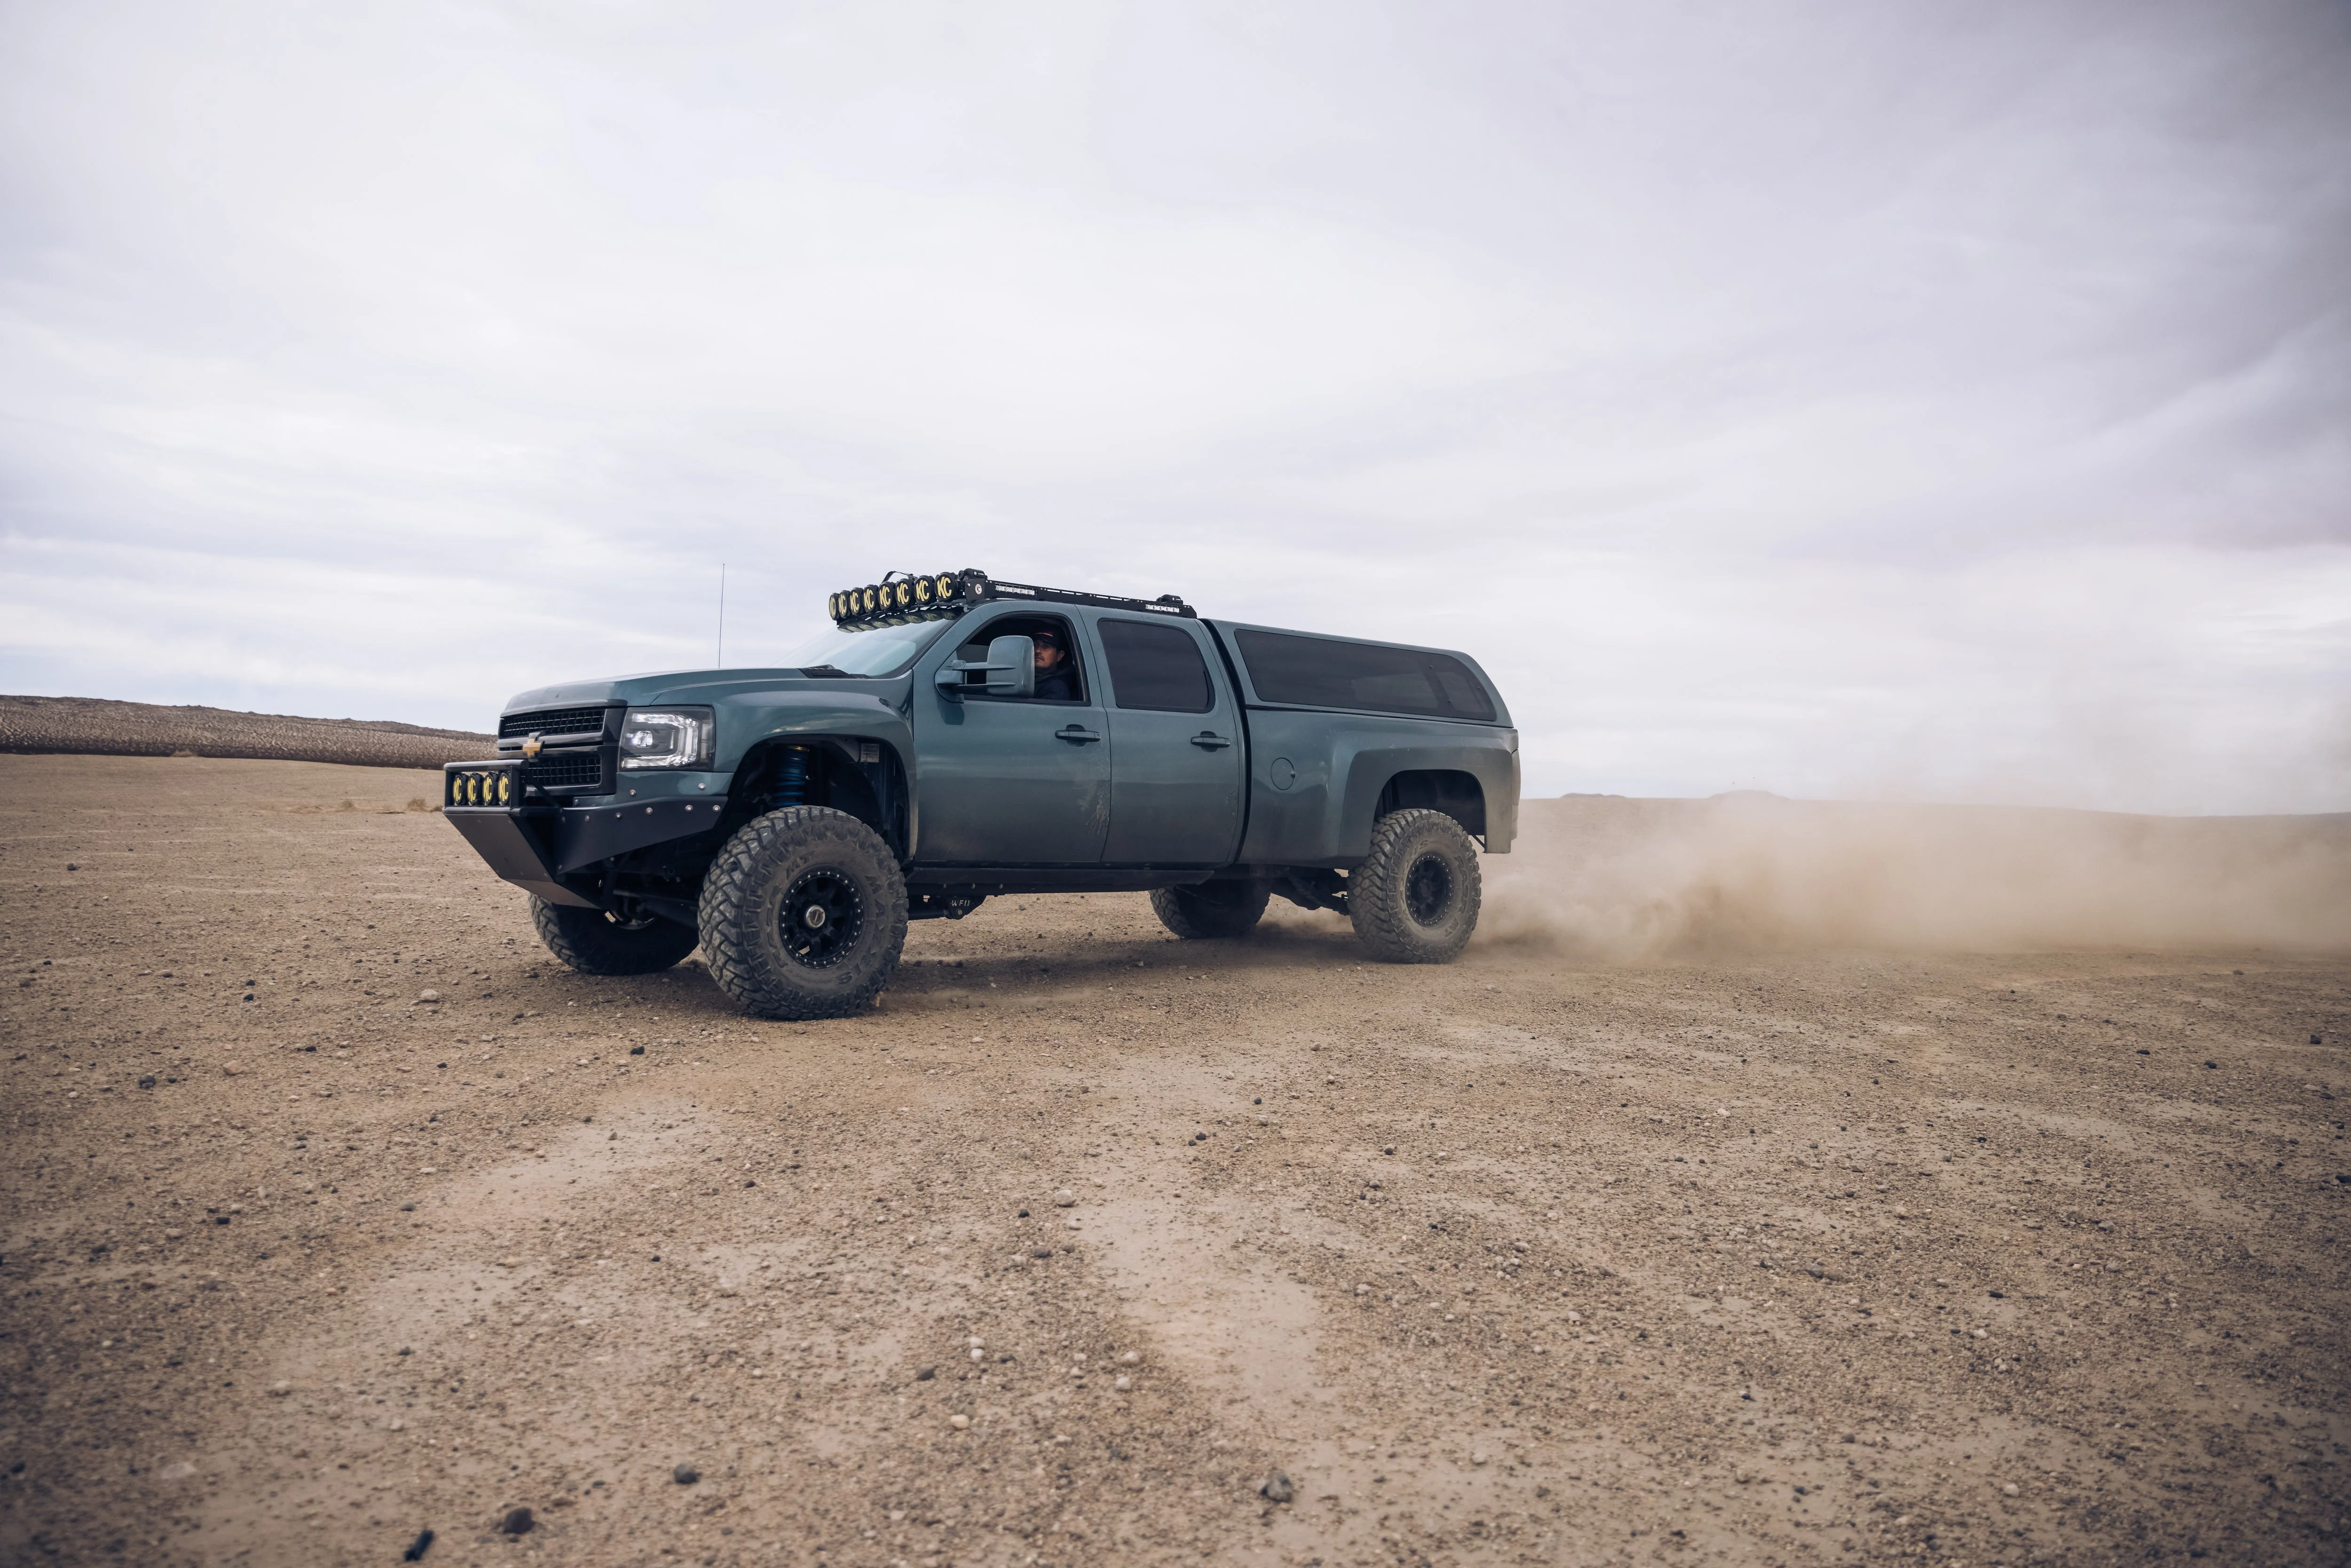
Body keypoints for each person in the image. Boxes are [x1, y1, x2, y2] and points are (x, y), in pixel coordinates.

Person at [1031, 625, 1080, 701]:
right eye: (1035, 645)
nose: (1037, 651)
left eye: (1046, 647)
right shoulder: (1027, 680)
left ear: (1059, 656)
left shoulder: (1056, 689)